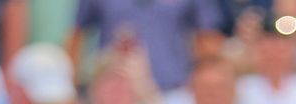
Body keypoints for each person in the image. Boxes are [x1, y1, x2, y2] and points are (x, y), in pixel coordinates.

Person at [71, 0, 224, 92]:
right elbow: (76, 35)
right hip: (116, 99)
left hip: (172, 93)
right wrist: (73, 88)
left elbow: (208, 39)